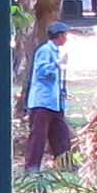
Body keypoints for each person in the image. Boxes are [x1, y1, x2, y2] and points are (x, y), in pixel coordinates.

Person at [22, 20, 73, 170]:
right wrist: (57, 63)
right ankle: (31, 166)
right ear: (59, 36)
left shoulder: (54, 51)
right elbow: (42, 72)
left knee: (61, 134)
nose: (66, 38)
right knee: (38, 136)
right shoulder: (45, 51)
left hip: (53, 102)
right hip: (42, 102)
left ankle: (66, 164)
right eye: (65, 35)